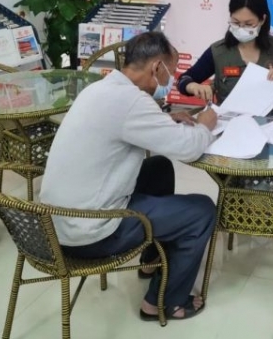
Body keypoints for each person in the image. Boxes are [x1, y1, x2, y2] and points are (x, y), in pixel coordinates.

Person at [40, 31, 218, 322]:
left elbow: (123, 123)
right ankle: (163, 303)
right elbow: (188, 149)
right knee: (202, 210)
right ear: (156, 67)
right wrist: (204, 125)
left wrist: (165, 119)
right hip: (90, 233)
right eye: (171, 72)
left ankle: (151, 260)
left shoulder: (101, 89)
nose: (171, 80)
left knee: (158, 168)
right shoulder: (132, 102)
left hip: (58, 222)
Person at [176, 0, 273, 108]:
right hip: (230, 120)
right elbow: (183, 80)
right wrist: (193, 87)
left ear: (262, 19)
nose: (241, 28)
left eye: (248, 24)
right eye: (236, 22)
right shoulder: (218, 51)